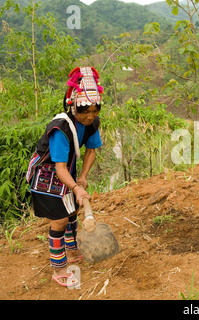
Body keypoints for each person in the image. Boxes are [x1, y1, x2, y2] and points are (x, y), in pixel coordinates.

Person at [26, 66, 103, 287]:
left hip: (66, 170)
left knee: (72, 212)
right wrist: (77, 188)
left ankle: (72, 250)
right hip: (46, 174)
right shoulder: (60, 129)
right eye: (85, 111)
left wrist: (84, 177)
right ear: (73, 106)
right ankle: (58, 267)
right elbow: (59, 168)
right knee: (59, 219)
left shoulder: (92, 124)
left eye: (95, 111)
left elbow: (91, 151)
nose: (90, 117)